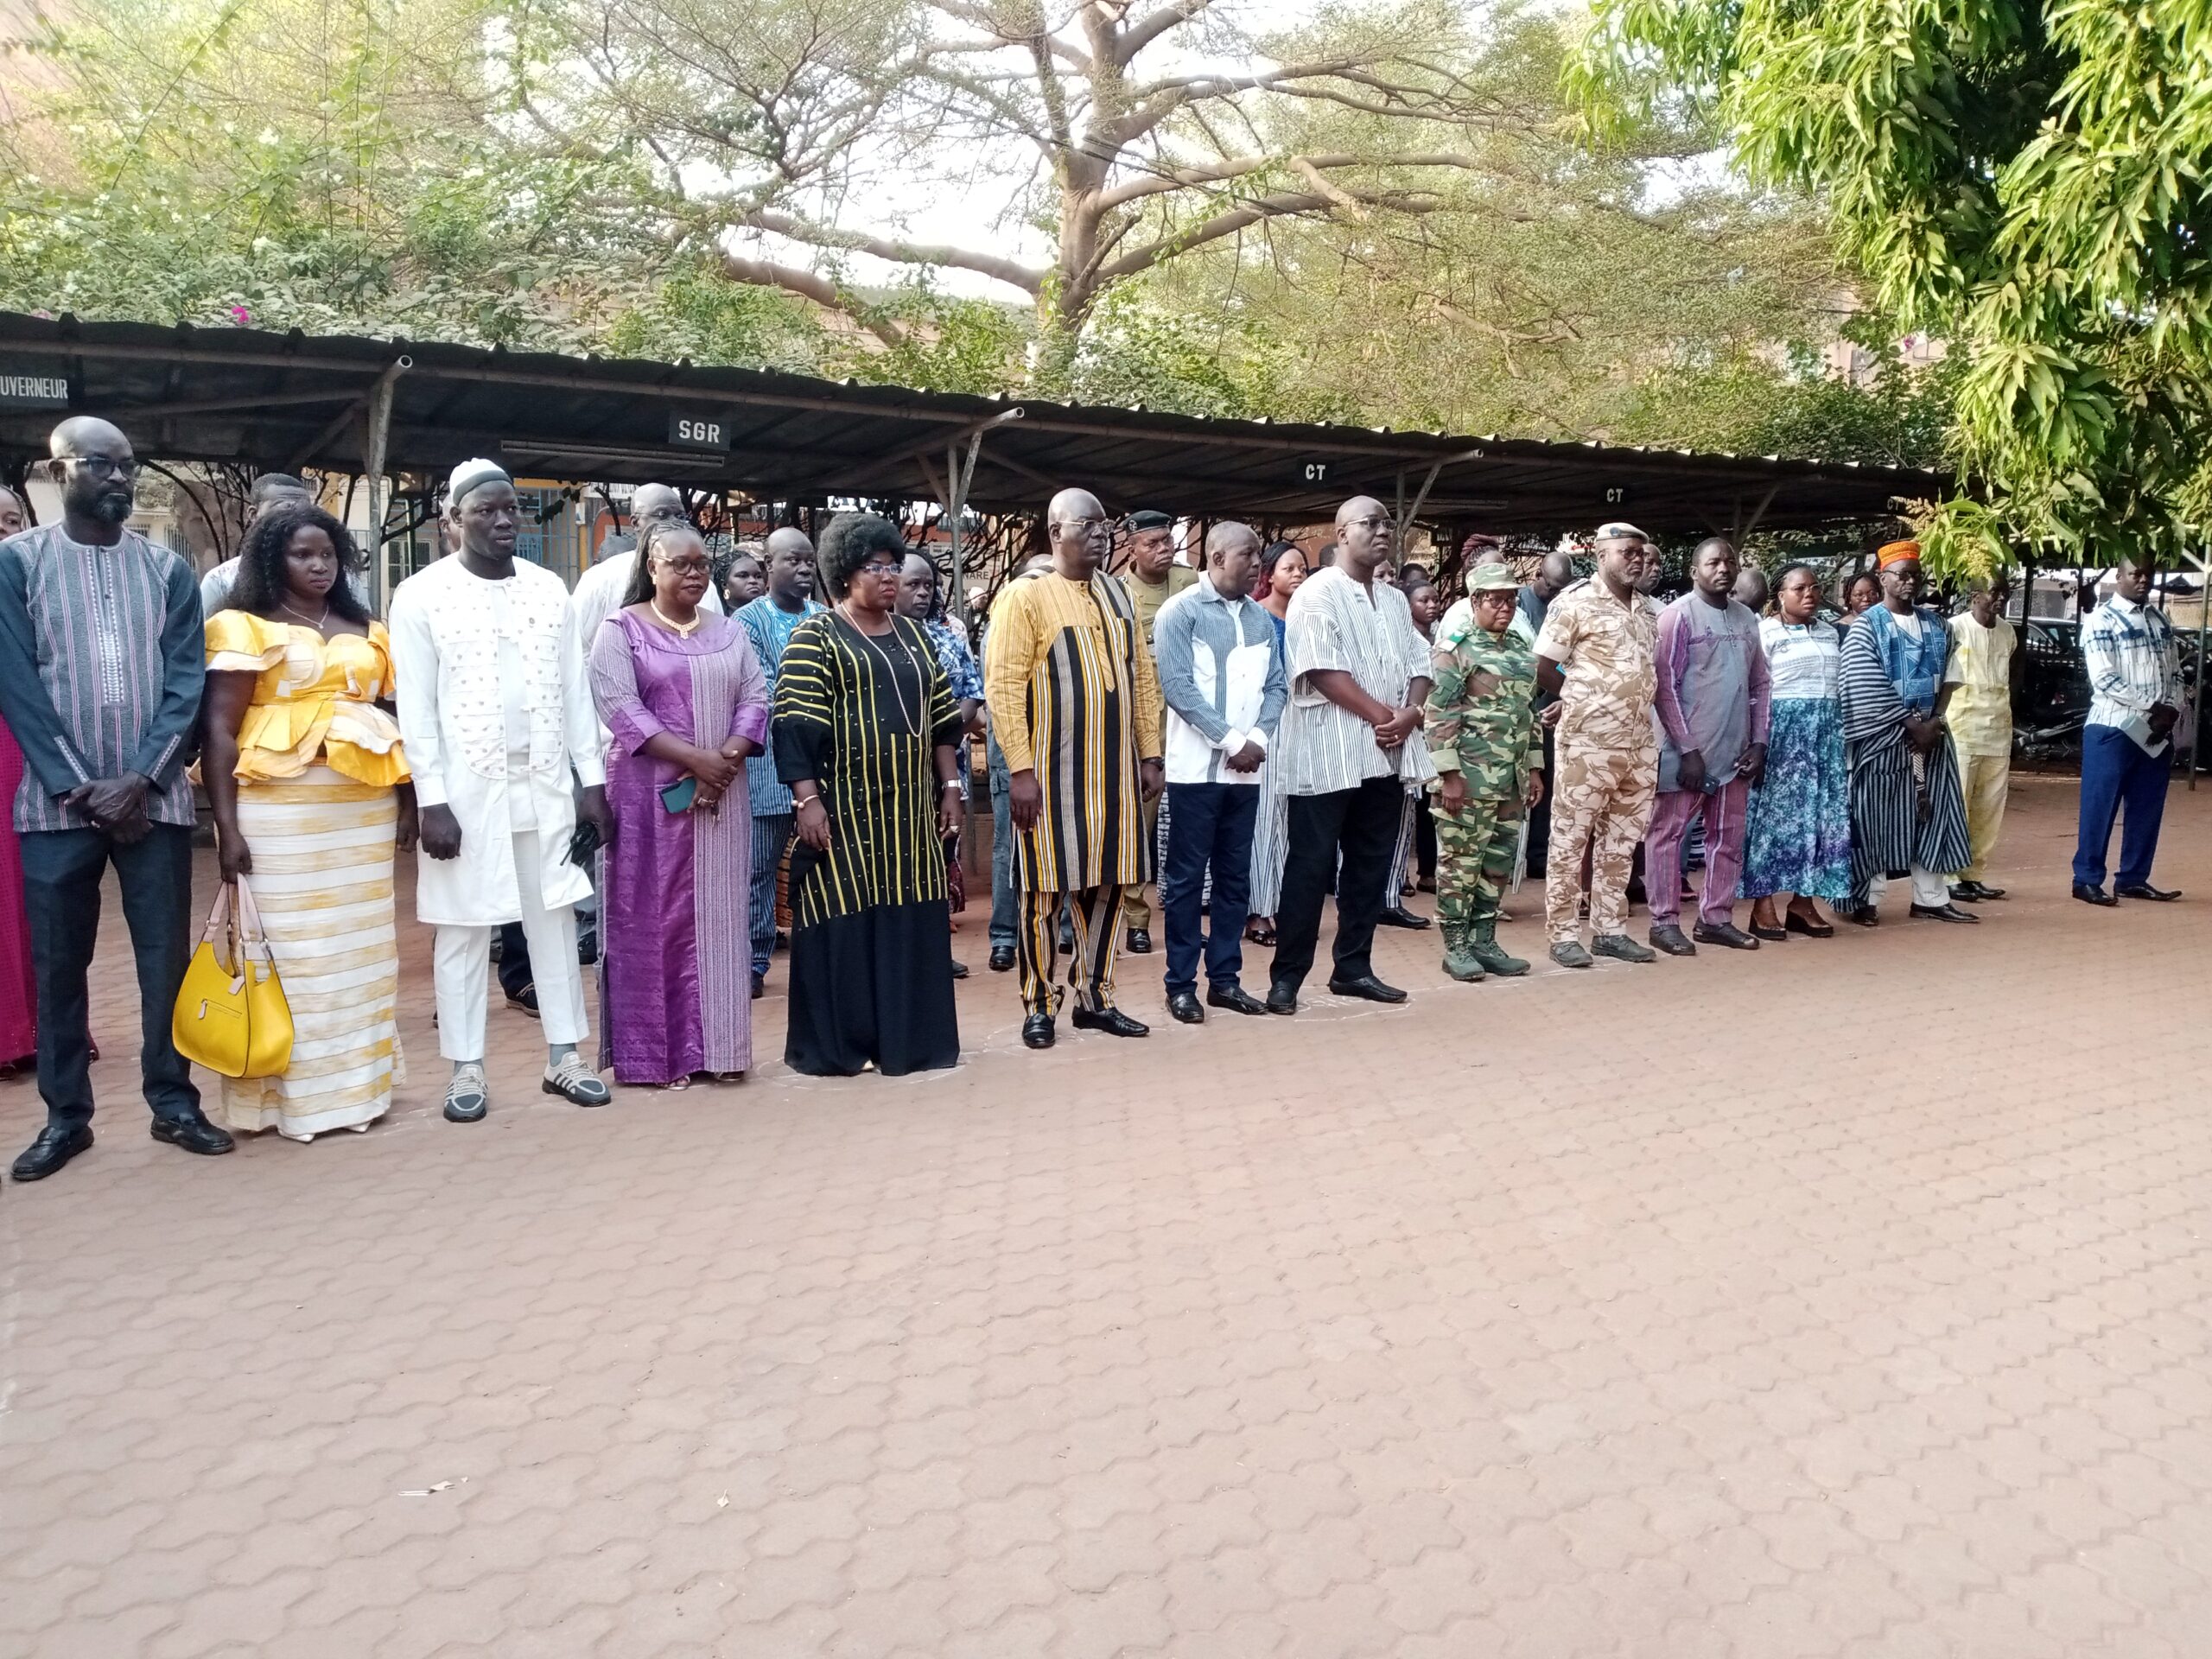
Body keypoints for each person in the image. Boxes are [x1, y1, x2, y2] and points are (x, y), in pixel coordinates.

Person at [0, 417, 232, 1180]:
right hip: (53, 805)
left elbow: (184, 682)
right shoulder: (17, 564)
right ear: (59, 470)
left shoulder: (165, 571)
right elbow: (18, 685)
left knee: (162, 958)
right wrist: (77, 784)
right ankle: (67, 1117)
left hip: (153, 802)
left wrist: (141, 779)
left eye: (129, 466)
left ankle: (173, 1101)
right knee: (60, 963)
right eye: (102, 465)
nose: (120, 479)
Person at [390, 459, 613, 1122]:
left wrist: (591, 784)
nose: (503, 518)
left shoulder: (549, 590)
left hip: (544, 783)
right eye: (485, 509)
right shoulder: (422, 595)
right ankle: (466, 1070)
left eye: (511, 507)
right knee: (462, 928)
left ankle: (564, 1057)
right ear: (453, 521)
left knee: (555, 916)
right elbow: (417, 709)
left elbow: (577, 696)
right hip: (464, 791)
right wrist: (431, 799)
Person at [200, 503, 415, 1140]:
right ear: (273, 559)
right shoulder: (243, 625)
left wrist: (407, 801)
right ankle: (289, 1102)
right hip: (279, 817)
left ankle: (356, 1094)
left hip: (361, 812)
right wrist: (227, 828)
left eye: (327, 553)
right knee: (291, 955)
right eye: (302, 554)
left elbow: (395, 716)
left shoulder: (364, 625)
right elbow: (219, 729)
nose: (319, 564)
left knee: (360, 953)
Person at [775, 514, 963, 1075]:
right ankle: (839, 1047)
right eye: (873, 567)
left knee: (908, 917)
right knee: (843, 917)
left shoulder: (914, 636)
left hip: (908, 815)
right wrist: (807, 801)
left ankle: (911, 1044)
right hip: (845, 811)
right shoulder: (817, 636)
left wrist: (951, 788)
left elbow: (942, 722)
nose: (888, 576)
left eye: (893, 565)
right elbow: (795, 726)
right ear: (843, 572)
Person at [588, 520, 769, 1087]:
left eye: (700, 565)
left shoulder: (729, 631)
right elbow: (619, 706)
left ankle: (720, 1050)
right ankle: (656, 1059)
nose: (694, 574)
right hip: (648, 803)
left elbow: (757, 695)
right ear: (651, 567)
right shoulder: (621, 631)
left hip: (723, 796)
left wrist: (728, 758)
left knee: (719, 920)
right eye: (679, 564)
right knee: (651, 919)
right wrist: (697, 760)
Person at [986, 489, 1164, 1049]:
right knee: (1043, 894)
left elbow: (1140, 679)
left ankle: (1095, 997)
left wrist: (1151, 752)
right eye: (1087, 525)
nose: (1100, 534)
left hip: (1112, 779)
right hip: (1049, 780)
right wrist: (1019, 770)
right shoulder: (1025, 599)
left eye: (1105, 525)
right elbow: (1004, 687)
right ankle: (1039, 1006)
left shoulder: (1118, 593)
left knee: (1108, 886)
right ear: (1055, 530)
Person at [1267, 495, 1434, 1013]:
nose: (1382, 531)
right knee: (1310, 868)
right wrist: (1386, 717)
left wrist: (1411, 712)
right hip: (1327, 756)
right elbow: (1321, 670)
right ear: (1341, 533)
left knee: (1369, 865)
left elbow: (1421, 662)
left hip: (1384, 756)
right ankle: (1287, 979)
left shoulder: (1390, 598)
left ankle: (1353, 969)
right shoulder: (1317, 593)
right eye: (1370, 523)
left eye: (1387, 523)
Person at [1152, 522, 1286, 1024]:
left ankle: (1225, 981)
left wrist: (1258, 742)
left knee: (1235, 879)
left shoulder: (1260, 620)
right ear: (1215, 556)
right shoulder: (1179, 613)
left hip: (1246, 774)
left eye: (1258, 556)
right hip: (1195, 774)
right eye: (1247, 555)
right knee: (1187, 881)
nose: (1256, 564)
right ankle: (1180, 984)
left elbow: (1277, 687)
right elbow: (1179, 689)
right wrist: (1234, 742)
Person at [1533, 524, 1662, 969]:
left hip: (1639, 743)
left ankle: (1610, 930)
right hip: (1588, 743)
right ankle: (1564, 933)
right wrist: (1576, 696)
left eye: (1641, 554)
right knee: (1571, 840)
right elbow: (1542, 665)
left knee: (1622, 842)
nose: (1637, 560)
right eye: (1627, 552)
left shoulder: (1647, 610)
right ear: (1602, 555)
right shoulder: (1575, 603)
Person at [1643, 537, 1770, 955]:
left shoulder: (1746, 618)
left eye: (1729, 562)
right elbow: (1665, 687)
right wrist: (1687, 749)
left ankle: (1715, 918)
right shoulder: (1678, 617)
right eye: (1713, 562)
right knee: (1668, 836)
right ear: (1695, 570)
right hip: (1688, 756)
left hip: (1736, 753)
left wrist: (1759, 741)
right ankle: (1663, 922)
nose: (1723, 569)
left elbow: (1761, 682)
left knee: (1728, 838)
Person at [1837, 540, 1976, 925]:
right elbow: (1861, 683)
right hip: (1882, 738)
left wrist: (1933, 723)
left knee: (1935, 815)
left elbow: (1951, 678)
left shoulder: (1939, 625)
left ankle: (1931, 899)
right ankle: (1865, 900)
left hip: (1930, 738)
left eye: (1916, 575)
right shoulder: (1866, 627)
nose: (1911, 582)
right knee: (1873, 818)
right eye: (1902, 575)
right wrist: (1908, 722)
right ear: (1883, 578)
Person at [1425, 562, 1544, 982]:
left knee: (1497, 863)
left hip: (1508, 780)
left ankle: (1484, 941)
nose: (1505, 606)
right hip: (1468, 780)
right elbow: (1439, 715)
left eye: (1511, 599)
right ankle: (1455, 946)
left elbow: (1527, 715)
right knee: (1461, 864)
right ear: (1475, 601)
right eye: (1495, 599)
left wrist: (1533, 769)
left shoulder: (1519, 649)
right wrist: (1449, 776)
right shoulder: (1454, 649)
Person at [734, 526, 824, 995]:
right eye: (794, 560)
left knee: (824, 865)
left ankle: (825, 954)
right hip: (768, 769)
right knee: (759, 870)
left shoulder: (827, 617)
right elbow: (765, 692)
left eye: (810, 560)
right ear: (770, 565)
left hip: (824, 770)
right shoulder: (746, 621)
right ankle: (753, 960)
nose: (805, 568)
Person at [1743, 563, 1852, 939]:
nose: (1810, 594)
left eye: (1815, 587)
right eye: (1799, 588)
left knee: (1823, 820)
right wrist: (1756, 741)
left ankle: (1803, 904)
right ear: (1780, 595)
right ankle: (1762, 904)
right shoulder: (1765, 632)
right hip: (1783, 735)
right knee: (1775, 823)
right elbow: (1753, 690)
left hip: (1826, 735)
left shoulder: (1830, 632)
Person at [2072, 553, 2183, 905]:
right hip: (2113, 727)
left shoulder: (2159, 619)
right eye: (2135, 574)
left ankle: (2133, 878)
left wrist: (2173, 709)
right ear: (2118, 577)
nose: (2143, 580)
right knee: (2099, 805)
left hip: (2155, 730)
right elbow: (2104, 678)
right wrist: (2152, 706)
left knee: (2148, 806)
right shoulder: (2101, 620)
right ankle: (2086, 880)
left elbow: (2175, 671)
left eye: (2148, 574)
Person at [898, 553, 984, 978]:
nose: (921, 593)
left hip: (948, 765)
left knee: (940, 854)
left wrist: (944, 732)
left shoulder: (948, 633)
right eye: (912, 584)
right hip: (894, 771)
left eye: (928, 585)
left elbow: (971, 691)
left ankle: (934, 948)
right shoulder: (873, 633)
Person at [1115, 508, 1197, 957]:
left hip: (1192, 725)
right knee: (1138, 827)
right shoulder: (1118, 593)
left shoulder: (1190, 583)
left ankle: (1183, 916)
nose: (1164, 549)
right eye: (1153, 543)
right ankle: (1135, 919)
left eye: (1168, 540)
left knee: (1188, 828)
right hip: (1145, 727)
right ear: (1132, 547)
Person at [982, 551, 1055, 973]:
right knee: (1009, 849)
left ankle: (1063, 931)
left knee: (1063, 845)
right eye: (1036, 575)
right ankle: (1005, 938)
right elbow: (1001, 695)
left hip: (1060, 755)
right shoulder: (1004, 623)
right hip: (1011, 758)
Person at [568, 484, 721, 662]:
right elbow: (576, 648)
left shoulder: (702, 584)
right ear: (635, 522)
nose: (673, 523)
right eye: (662, 515)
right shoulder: (602, 578)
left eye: (680, 516)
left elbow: (716, 643)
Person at [1940, 574, 2018, 903]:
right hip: (1961, 730)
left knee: (1988, 810)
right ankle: (1950, 877)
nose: (2000, 599)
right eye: (1994, 592)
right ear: (1974, 595)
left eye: (2005, 593)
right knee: (1958, 805)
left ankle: (1974, 875)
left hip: (1998, 731)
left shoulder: (2008, 632)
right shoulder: (1953, 628)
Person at [1243, 540, 1306, 948]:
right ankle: (1259, 911)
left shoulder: (1308, 618)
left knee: (1293, 825)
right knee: (1266, 822)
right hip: (1268, 726)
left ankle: (1282, 904)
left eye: (1302, 568)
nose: (1298, 574)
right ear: (1270, 573)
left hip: (1304, 726)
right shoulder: (1258, 617)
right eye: (1289, 568)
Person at [0, 482, 33, 1073]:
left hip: (16, 744)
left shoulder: (30, 586)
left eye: (11, 518)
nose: (5, 530)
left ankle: (27, 1032)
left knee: (24, 889)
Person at [195, 474, 321, 617]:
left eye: (304, 509)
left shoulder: (333, 576)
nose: (297, 517)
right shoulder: (220, 581)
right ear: (253, 514)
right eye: (285, 508)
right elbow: (208, 636)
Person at [723, 547, 767, 611]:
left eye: (758, 576)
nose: (753, 581)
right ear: (724, 585)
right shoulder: (712, 617)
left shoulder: (777, 616)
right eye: (743, 576)